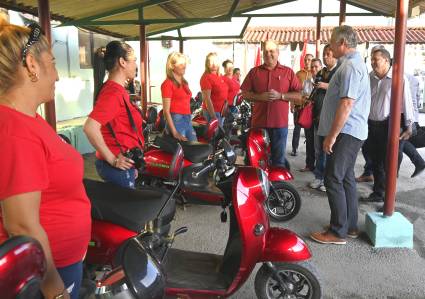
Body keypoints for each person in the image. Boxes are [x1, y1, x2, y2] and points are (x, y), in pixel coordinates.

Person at [0, 19, 91, 299]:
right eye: (52, 63)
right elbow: (21, 225)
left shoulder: (29, 120)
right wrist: (55, 292)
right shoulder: (15, 130)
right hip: (46, 276)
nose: (58, 75)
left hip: (63, 262)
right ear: (31, 64)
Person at [310, 25, 371, 245]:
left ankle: (337, 232)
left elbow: (346, 103)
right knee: (345, 178)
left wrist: (331, 136)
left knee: (333, 177)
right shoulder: (349, 65)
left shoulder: (350, 67)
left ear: (343, 43)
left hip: (347, 132)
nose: (330, 44)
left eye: (333, 41)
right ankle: (349, 225)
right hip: (350, 132)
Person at [84, 41, 143, 189]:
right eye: (134, 60)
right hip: (117, 166)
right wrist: (113, 160)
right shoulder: (113, 93)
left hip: (123, 163)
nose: (136, 65)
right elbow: (90, 127)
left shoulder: (117, 90)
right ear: (122, 62)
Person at [360, 48, 414, 203]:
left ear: (386, 60)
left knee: (389, 163)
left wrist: (409, 126)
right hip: (371, 125)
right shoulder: (370, 77)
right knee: (375, 161)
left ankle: (387, 197)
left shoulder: (398, 78)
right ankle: (378, 193)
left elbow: (406, 102)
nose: (372, 62)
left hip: (389, 126)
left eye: (375, 59)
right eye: (371, 58)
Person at [241, 40, 302, 169]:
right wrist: (259, 97)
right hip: (258, 125)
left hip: (279, 126)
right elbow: (244, 93)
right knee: (256, 161)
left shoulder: (288, 72)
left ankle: (277, 188)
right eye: (266, 51)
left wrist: (281, 96)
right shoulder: (254, 72)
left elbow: (300, 95)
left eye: (272, 51)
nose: (269, 54)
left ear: (278, 53)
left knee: (278, 162)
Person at [161, 52, 196, 141]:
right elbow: (166, 111)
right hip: (176, 120)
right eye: (181, 64)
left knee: (195, 148)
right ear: (172, 66)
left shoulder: (184, 83)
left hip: (187, 119)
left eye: (184, 64)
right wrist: (175, 132)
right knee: (185, 150)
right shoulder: (167, 84)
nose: (184, 66)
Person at [402, 73, 425, 177]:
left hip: (407, 118)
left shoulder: (400, 78)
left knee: (399, 140)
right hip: (413, 117)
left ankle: (419, 162)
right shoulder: (413, 79)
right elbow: (416, 99)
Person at [291, 53, 314, 158]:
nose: (307, 61)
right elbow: (293, 90)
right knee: (297, 127)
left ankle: (309, 150)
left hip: (308, 106)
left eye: (309, 60)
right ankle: (294, 148)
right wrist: (291, 103)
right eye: (306, 60)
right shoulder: (298, 74)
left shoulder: (315, 73)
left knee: (308, 130)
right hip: (298, 104)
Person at [200, 52, 228, 124]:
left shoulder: (219, 76)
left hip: (222, 111)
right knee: (215, 135)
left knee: (220, 134)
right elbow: (207, 99)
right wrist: (213, 116)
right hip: (213, 113)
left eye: (215, 61)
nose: (214, 64)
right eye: (211, 61)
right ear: (207, 63)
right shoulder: (206, 77)